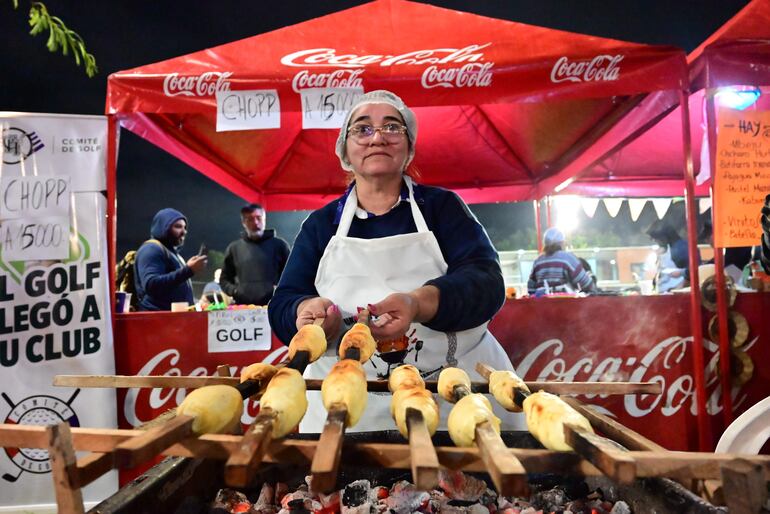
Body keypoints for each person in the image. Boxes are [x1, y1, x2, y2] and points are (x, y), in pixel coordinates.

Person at [268, 90, 521, 432]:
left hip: (453, 403)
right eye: (362, 129)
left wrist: (418, 303)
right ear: (345, 149)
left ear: (408, 146)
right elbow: (284, 301)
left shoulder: (442, 208)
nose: (377, 137)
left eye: (392, 127)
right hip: (349, 410)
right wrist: (306, 314)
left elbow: (487, 283)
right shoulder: (321, 225)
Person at [134, 208, 207, 311]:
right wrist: (188, 270)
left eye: (185, 227)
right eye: (178, 227)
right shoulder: (151, 249)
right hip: (158, 320)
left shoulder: (172, 253)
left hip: (173, 320)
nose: (184, 232)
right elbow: (151, 285)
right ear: (163, 227)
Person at [219, 204, 290, 306]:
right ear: (243, 222)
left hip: (275, 305)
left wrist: (278, 289)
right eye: (250, 219)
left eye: (259, 218)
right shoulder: (234, 248)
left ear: (264, 219)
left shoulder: (280, 245)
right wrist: (235, 291)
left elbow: (291, 273)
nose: (255, 222)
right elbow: (224, 279)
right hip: (243, 308)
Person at [526, 228, 597, 295]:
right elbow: (586, 284)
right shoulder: (568, 258)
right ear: (562, 243)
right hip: (566, 304)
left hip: (543, 304)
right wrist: (592, 282)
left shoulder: (538, 261)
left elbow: (530, 288)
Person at [646, 220, 698, 293]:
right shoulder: (673, 247)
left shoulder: (681, 248)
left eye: (655, 238)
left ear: (663, 236)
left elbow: (693, 273)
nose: (655, 241)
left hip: (680, 295)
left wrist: (677, 290)